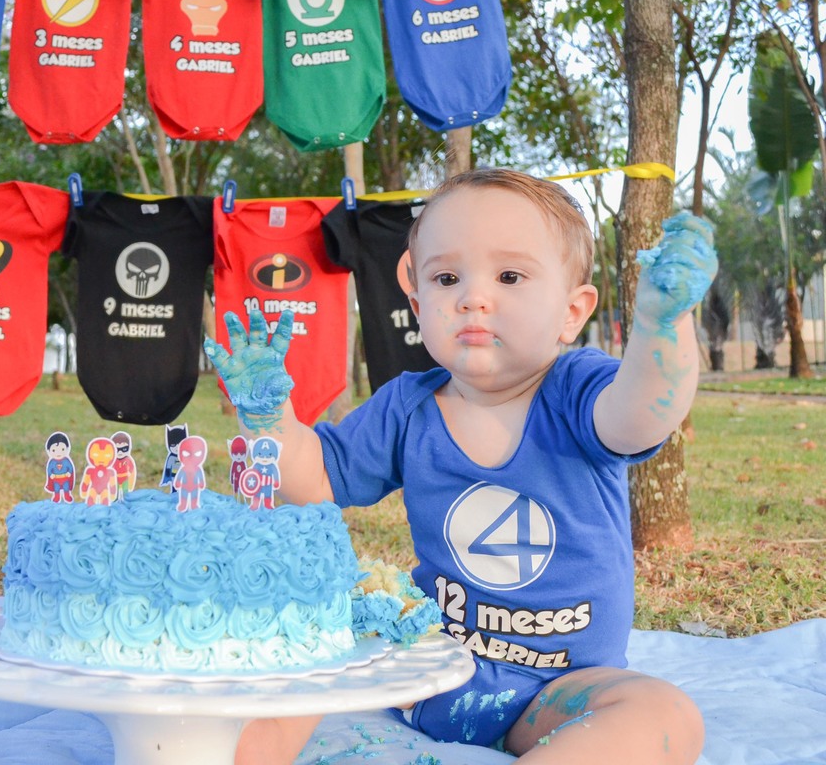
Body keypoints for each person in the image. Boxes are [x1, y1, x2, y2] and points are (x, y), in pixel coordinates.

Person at [203, 168, 715, 765]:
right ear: (418, 303)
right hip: (424, 667)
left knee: (664, 715)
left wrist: (662, 325)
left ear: (572, 313)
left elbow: (641, 417)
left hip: (558, 692)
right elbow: (315, 478)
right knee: (307, 622)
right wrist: (268, 416)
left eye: (509, 276)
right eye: (447, 277)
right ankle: (239, 754)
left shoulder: (579, 389)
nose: (473, 296)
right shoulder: (407, 405)